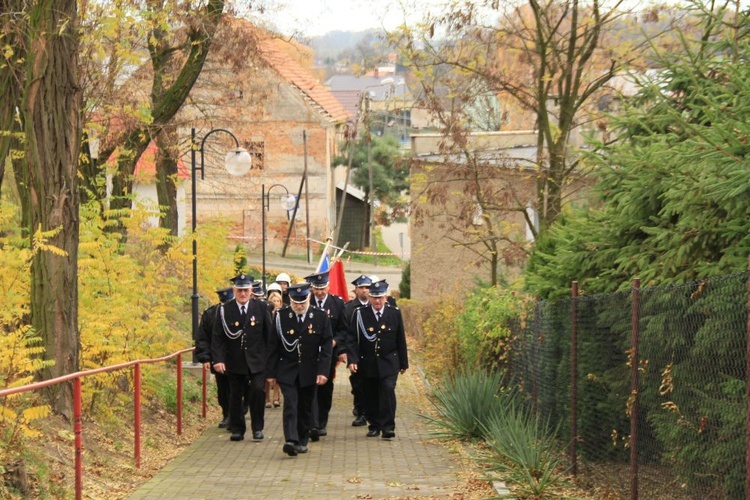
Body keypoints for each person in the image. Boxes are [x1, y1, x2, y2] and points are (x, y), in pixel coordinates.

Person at [267, 282, 333, 456]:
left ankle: (302, 440)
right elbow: (273, 346)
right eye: (296, 302)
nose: (299, 305)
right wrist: (271, 373)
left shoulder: (319, 317)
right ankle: (291, 439)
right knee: (291, 402)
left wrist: (323, 371)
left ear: (308, 298)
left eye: (302, 301)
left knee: (305, 406)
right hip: (287, 369)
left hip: (309, 369)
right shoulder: (281, 317)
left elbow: (326, 346)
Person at [211, 273, 274, 442]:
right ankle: (238, 429)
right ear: (234, 290)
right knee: (235, 395)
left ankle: (257, 428)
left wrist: (270, 363)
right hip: (235, 360)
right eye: (239, 291)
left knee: (257, 392)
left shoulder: (261, 308)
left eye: (246, 290)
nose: (243, 294)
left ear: (251, 290)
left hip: (257, 360)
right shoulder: (225, 310)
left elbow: (269, 336)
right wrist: (218, 359)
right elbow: (218, 337)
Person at [346, 279, 408, 440]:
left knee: (387, 390)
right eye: (374, 298)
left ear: (385, 297)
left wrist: (403, 363)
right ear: (370, 298)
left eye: (380, 297)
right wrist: (352, 359)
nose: (377, 301)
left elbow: (400, 338)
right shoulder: (360, 314)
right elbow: (352, 338)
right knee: (371, 394)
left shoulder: (394, 313)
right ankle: (374, 424)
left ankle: (388, 427)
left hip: (389, 361)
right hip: (368, 361)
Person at [305, 270, 348, 441]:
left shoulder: (337, 304)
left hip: (328, 354)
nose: (320, 292)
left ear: (328, 286)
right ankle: (312, 424)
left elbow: (344, 329)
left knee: (325, 388)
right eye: (317, 288)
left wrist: (335, 342)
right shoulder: (305, 302)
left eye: (323, 288)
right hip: (309, 354)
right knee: (311, 387)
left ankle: (322, 421)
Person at [194, 286, 234, 429]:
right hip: (219, 358)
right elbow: (203, 337)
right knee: (223, 389)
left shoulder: (241, 312)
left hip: (238, 358)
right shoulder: (211, 314)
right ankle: (227, 414)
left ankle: (237, 413)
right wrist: (205, 358)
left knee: (238, 388)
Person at [344, 275, 372, 426]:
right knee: (358, 384)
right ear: (356, 289)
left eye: (367, 287)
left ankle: (371, 412)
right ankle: (361, 413)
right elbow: (347, 333)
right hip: (356, 352)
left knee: (371, 384)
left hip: (372, 353)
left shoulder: (374, 305)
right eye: (361, 287)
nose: (364, 291)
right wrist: (347, 354)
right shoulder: (349, 308)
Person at [265, 283, 283, 409]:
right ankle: (267, 398)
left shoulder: (283, 314)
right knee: (267, 374)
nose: (276, 302)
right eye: (273, 300)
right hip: (267, 348)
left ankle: (276, 397)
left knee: (278, 373)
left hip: (280, 348)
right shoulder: (266, 313)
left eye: (278, 300)